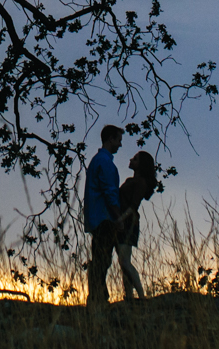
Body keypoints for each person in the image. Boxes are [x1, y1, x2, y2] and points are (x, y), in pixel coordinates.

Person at [83, 124, 125, 305]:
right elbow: (110, 193)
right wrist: (118, 217)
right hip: (104, 218)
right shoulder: (105, 162)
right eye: (118, 140)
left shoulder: (97, 160)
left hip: (97, 218)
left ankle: (98, 296)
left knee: (100, 259)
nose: (120, 145)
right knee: (102, 260)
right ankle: (98, 298)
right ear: (110, 139)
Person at [115, 150, 158, 299]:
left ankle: (140, 295)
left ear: (141, 165)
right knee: (123, 262)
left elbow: (134, 205)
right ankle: (129, 296)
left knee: (124, 260)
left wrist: (121, 219)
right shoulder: (130, 180)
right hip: (121, 221)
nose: (131, 160)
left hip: (128, 223)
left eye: (135, 159)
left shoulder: (141, 182)